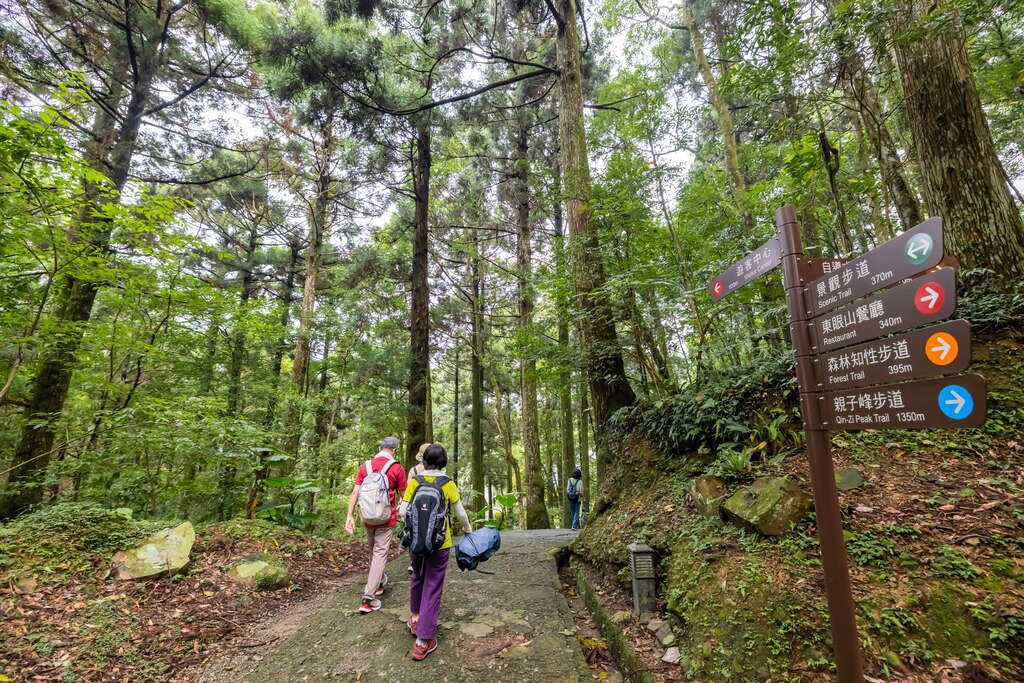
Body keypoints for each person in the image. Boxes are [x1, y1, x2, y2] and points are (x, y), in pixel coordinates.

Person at [398, 443, 472, 661]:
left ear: (424, 461)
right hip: (441, 543)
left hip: (416, 542)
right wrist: (468, 531)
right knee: (433, 585)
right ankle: (423, 640)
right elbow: (460, 513)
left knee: (417, 578)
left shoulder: (415, 481)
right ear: (444, 462)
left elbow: (403, 511)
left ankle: (415, 618)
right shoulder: (447, 483)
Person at [345, 436, 407, 614]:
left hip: (367, 516)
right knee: (380, 554)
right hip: (386, 518)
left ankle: (379, 582)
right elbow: (405, 495)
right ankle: (368, 598)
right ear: (394, 450)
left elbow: (355, 491)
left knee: (373, 551)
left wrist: (349, 516)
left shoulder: (366, 466)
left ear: (380, 447)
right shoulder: (396, 468)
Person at [406, 443, 430, 574]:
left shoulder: (413, 471)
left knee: (413, 531)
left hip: (415, 506)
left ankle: (413, 561)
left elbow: (409, 490)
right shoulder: (438, 471)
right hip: (431, 507)